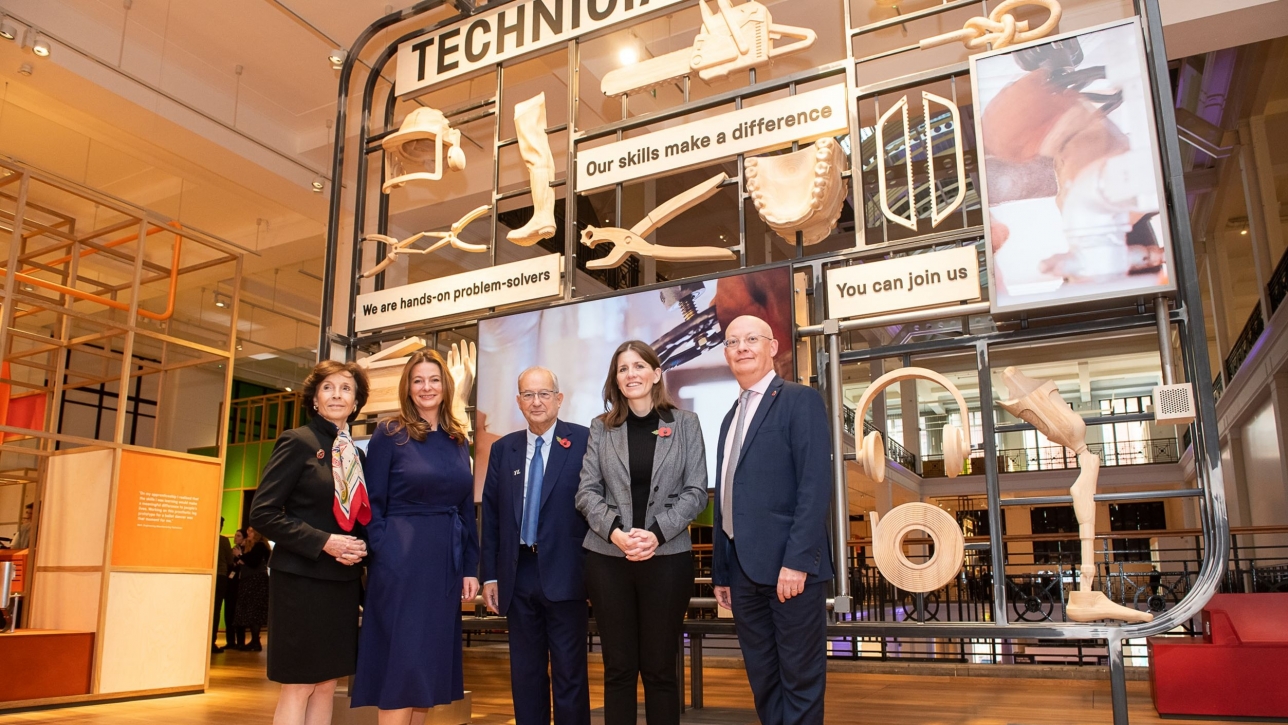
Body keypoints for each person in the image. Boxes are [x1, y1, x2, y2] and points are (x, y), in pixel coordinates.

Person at [575, 341, 708, 725]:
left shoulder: (685, 424)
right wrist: (616, 533)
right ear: (615, 380)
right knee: (618, 669)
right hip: (607, 559)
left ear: (655, 373)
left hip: (666, 559)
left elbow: (696, 490)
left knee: (660, 668)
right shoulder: (601, 428)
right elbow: (586, 492)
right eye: (622, 369)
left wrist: (656, 534)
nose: (631, 374)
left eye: (638, 366)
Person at [712, 315, 832, 725]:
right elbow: (728, 497)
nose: (741, 347)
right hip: (742, 574)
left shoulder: (800, 400)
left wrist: (797, 562)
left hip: (790, 571)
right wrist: (721, 572)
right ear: (726, 353)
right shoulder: (730, 417)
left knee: (799, 678)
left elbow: (814, 487)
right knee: (763, 679)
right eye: (732, 341)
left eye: (751, 339)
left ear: (772, 347)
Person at [352, 349, 480, 725]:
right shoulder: (390, 434)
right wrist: (385, 550)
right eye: (418, 380)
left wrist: (469, 567)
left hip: (443, 567)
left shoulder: (458, 439)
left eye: (434, 379)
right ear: (408, 387)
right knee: (401, 668)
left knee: (426, 673)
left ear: (446, 386)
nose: (426, 387)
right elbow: (371, 505)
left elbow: (464, 510)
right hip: (401, 565)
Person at [249, 360, 371, 725]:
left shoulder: (356, 453)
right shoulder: (297, 441)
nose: (337, 395)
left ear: (356, 401)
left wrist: (359, 546)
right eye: (328, 388)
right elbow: (263, 513)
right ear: (315, 399)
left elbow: (354, 515)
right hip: (301, 581)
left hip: (342, 585)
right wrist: (325, 542)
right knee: (299, 684)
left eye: (346, 388)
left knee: (327, 682)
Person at [481, 367, 591, 725]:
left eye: (544, 394)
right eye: (528, 395)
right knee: (525, 675)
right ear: (518, 402)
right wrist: (489, 577)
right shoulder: (503, 449)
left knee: (569, 675)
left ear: (559, 399)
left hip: (567, 574)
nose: (536, 401)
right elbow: (493, 518)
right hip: (518, 575)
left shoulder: (586, 441)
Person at [234, 527, 271, 652]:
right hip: (252, 580)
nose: (248, 534)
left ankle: (255, 641)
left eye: (250, 532)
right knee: (252, 611)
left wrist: (240, 556)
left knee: (254, 611)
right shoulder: (255, 546)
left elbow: (253, 562)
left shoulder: (259, 546)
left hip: (255, 581)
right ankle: (254, 640)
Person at [213, 518, 233, 653]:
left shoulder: (204, 539)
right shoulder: (224, 541)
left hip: (209, 576)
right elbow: (230, 561)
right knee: (216, 609)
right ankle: (212, 641)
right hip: (220, 576)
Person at [226, 529, 246, 650]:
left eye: (238, 536)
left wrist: (239, 557)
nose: (235, 537)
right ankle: (230, 641)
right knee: (229, 613)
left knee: (238, 613)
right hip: (230, 585)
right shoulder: (232, 550)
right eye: (235, 535)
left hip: (240, 586)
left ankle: (240, 641)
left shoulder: (245, 552)